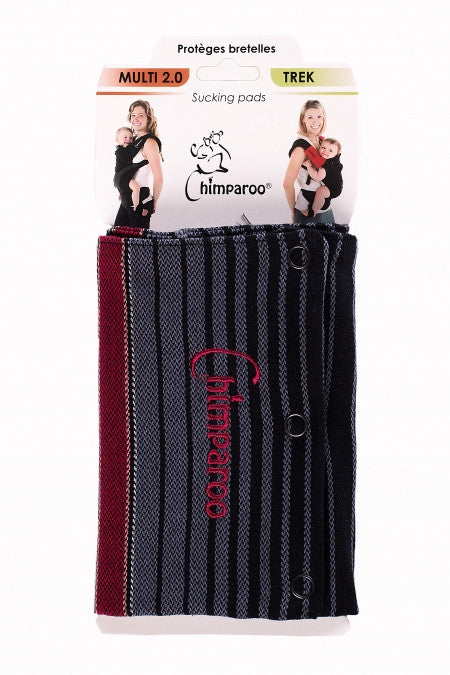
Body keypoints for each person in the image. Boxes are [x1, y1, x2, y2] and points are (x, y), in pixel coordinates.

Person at [283, 100, 336, 224]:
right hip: (307, 211)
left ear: (324, 118)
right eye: (310, 117)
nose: (315, 121)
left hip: (326, 209)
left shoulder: (323, 142)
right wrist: (294, 213)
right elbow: (287, 184)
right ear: (303, 120)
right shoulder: (300, 148)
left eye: (319, 116)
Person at [113, 100, 163, 229]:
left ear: (148, 119)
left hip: (141, 200)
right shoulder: (133, 141)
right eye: (133, 115)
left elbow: (159, 178)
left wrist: (154, 201)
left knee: (138, 240)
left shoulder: (149, 142)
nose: (136, 119)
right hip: (127, 198)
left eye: (141, 115)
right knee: (117, 237)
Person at [301, 138, 343, 217]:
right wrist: (320, 139)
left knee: (320, 192)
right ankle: (325, 202)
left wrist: (309, 167)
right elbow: (328, 144)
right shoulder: (333, 158)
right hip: (334, 183)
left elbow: (317, 177)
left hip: (334, 188)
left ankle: (313, 212)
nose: (325, 151)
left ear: (336, 154)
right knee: (323, 195)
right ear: (319, 147)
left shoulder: (326, 165)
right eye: (323, 148)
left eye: (330, 151)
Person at [113, 127, 148, 212]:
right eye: (125, 137)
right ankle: (137, 207)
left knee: (127, 189)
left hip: (119, 180)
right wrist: (144, 162)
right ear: (117, 139)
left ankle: (121, 194)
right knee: (136, 187)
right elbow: (131, 157)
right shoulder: (119, 152)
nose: (128, 139)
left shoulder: (124, 150)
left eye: (131, 138)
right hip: (122, 178)